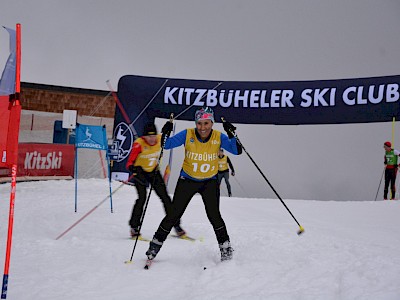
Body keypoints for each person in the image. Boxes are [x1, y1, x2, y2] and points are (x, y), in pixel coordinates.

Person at [145, 107, 242, 262]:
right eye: (199, 123)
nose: (203, 127)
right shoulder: (187, 134)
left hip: (209, 182)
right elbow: (166, 145)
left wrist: (232, 134)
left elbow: (237, 151)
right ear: (195, 123)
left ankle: (225, 247)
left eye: (206, 123)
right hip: (187, 181)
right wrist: (166, 132)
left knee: (214, 216)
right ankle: (154, 246)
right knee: (173, 214)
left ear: (212, 123)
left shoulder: (218, 136)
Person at [126, 122, 186, 238]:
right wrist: (134, 169)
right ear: (144, 137)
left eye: (154, 136)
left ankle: (176, 225)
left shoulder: (160, 139)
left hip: (153, 171)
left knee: (165, 198)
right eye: (149, 137)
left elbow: (169, 139)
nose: (152, 139)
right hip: (140, 173)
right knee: (142, 198)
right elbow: (129, 163)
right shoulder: (139, 144)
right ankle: (134, 227)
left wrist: (168, 129)